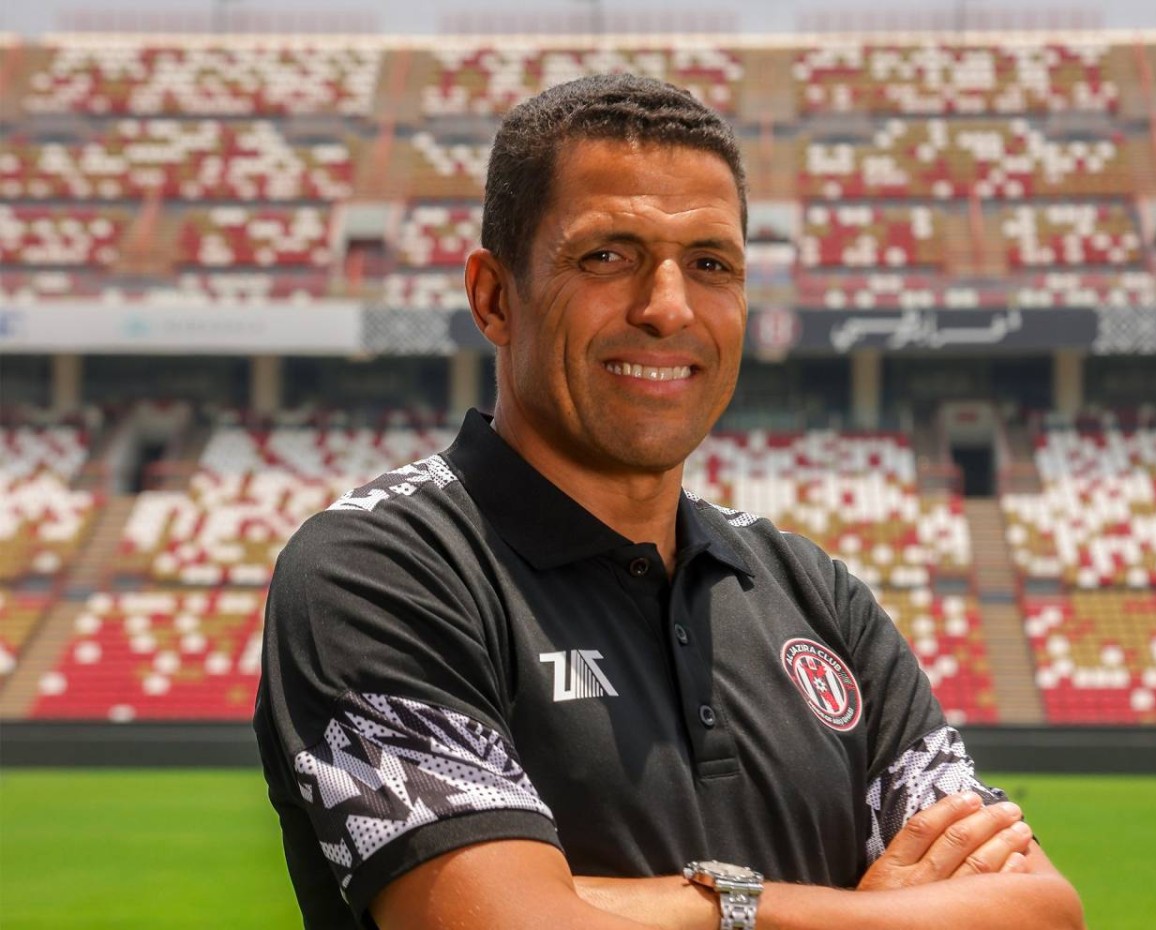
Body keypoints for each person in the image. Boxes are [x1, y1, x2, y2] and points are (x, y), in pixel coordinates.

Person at [254, 74, 1084, 930]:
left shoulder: (814, 593)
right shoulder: (382, 570)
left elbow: (1043, 912)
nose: (667, 308)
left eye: (711, 264)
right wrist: (818, 912)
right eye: (607, 257)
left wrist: (678, 904)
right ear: (494, 297)